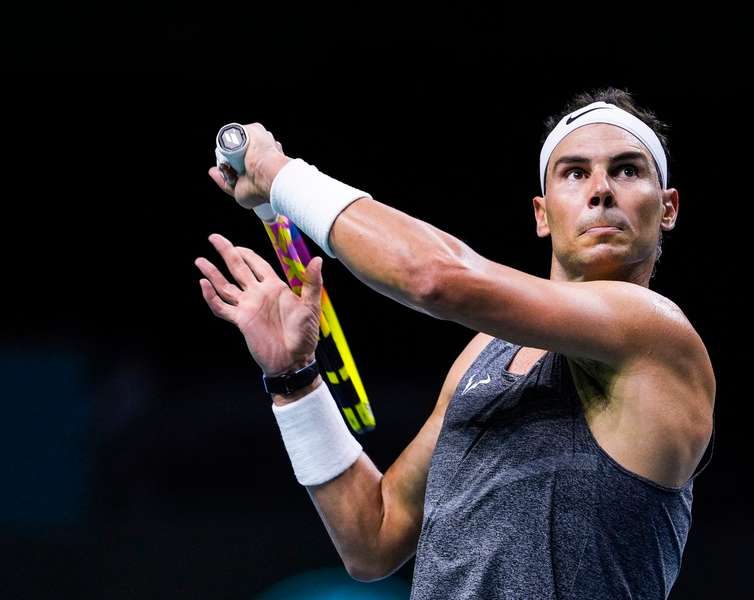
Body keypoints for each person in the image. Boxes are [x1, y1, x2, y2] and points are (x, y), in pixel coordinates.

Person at [195, 87, 716, 599]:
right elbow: (372, 538)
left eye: (627, 170)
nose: (601, 190)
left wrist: (280, 174)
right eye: (575, 173)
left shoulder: (656, 336)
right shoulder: (487, 352)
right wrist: (295, 379)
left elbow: (435, 278)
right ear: (541, 213)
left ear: (667, 207)